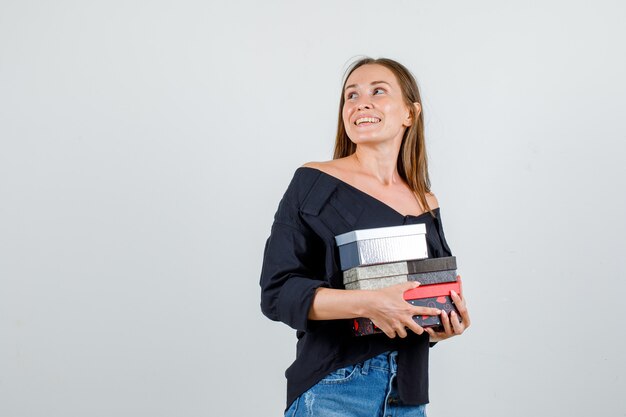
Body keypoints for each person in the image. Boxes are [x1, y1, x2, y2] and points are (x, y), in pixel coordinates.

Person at [260, 57, 471, 417]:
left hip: (407, 395)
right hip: (333, 388)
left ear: (410, 113)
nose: (361, 103)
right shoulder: (313, 183)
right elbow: (277, 294)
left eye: (378, 91)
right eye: (351, 96)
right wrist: (368, 303)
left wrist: (442, 326)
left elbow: (422, 298)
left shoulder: (426, 203)